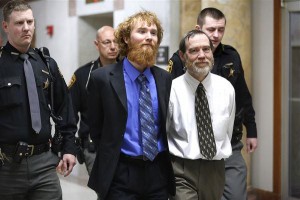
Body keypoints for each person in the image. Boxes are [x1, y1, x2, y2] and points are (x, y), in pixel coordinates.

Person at [167, 7, 258, 200]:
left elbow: (241, 97)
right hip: (187, 154)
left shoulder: (230, 60)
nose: (216, 35)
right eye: (211, 29)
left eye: (221, 30)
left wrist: (251, 128)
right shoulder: (177, 65)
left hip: (225, 145)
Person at [87, 10, 175, 200]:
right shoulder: (102, 79)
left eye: (153, 33)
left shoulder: (165, 78)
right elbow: (96, 128)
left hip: (157, 171)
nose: (149, 37)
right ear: (126, 38)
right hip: (121, 172)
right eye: (142, 31)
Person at [0, 1, 77, 200]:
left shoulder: (46, 63)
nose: (26, 28)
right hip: (6, 166)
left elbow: (64, 107)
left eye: (30, 21)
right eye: (19, 23)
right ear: (6, 26)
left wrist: (69, 148)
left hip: (44, 163)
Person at [167, 29, 235, 200]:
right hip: (181, 169)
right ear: (182, 56)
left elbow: (229, 131)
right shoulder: (170, 89)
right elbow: (164, 132)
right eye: (194, 50)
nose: (202, 55)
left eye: (206, 49)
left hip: (215, 170)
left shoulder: (226, 89)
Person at [68, 25, 119, 176]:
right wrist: (69, 146)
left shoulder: (128, 71)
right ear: (96, 44)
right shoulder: (83, 75)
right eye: (107, 42)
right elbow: (69, 113)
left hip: (124, 147)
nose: (113, 47)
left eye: (116, 42)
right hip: (94, 148)